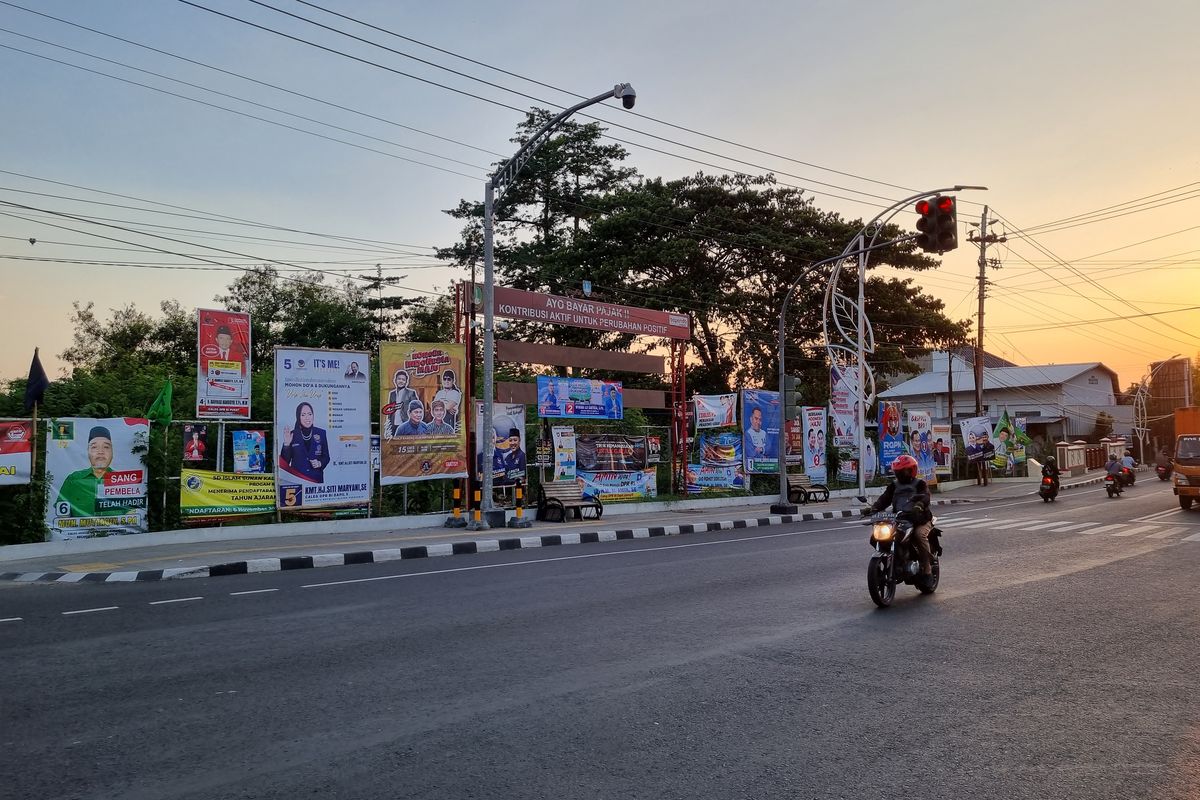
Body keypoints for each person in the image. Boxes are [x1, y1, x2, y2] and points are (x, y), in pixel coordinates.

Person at [868, 454, 935, 583]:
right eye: (897, 471)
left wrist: (919, 505)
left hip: (919, 519)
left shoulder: (920, 484)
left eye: (902, 470)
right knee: (876, 536)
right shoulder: (894, 485)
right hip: (899, 519)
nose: (899, 473)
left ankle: (927, 570)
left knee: (919, 535)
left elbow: (925, 496)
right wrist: (873, 508)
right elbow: (884, 499)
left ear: (911, 470)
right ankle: (896, 560)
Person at [55, 425, 127, 518]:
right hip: (79, 532)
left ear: (112, 453)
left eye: (106, 447)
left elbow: (131, 512)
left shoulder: (122, 480)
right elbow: (62, 514)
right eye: (94, 447)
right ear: (88, 452)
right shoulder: (73, 479)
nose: (100, 451)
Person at [279, 402, 330, 482]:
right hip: (297, 479)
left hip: (315, 480)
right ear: (298, 417)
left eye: (310, 414)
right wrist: (286, 444)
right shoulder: (292, 434)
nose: (307, 418)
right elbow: (285, 462)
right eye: (303, 415)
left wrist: (320, 463)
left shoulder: (321, 433)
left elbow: (326, 457)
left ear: (313, 415)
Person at [386, 369, 419, 437]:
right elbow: (390, 411)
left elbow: (416, 409)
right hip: (394, 425)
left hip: (406, 424)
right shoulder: (392, 394)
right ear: (395, 380)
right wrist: (389, 425)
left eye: (403, 379)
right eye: (399, 379)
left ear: (406, 382)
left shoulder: (411, 393)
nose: (401, 381)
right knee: (394, 445)